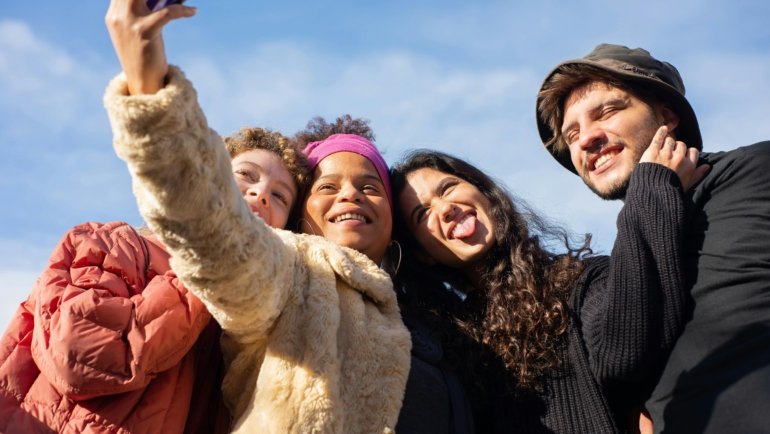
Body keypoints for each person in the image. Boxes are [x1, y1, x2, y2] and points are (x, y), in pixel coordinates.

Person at [104, 1, 470, 432]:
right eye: (328, 187)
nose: (350, 194)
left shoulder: (434, 319)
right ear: (301, 217)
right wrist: (149, 89)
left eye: (370, 186)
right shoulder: (288, 277)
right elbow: (210, 227)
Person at [390, 129, 705, 433]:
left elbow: (626, 352)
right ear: (423, 254)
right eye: (422, 214)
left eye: (447, 189)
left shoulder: (579, 281)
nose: (445, 208)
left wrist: (652, 193)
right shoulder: (443, 349)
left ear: (484, 194)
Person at [0, 123, 307, 432]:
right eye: (246, 175)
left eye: (280, 196)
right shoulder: (115, 243)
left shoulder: (247, 319)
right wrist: (206, 268)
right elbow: (81, 358)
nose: (261, 193)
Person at [536, 43, 770, 433]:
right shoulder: (635, 239)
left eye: (607, 111)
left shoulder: (754, 172)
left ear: (667, 115)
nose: (586, 139)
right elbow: (619, 359)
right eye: (571, 133)